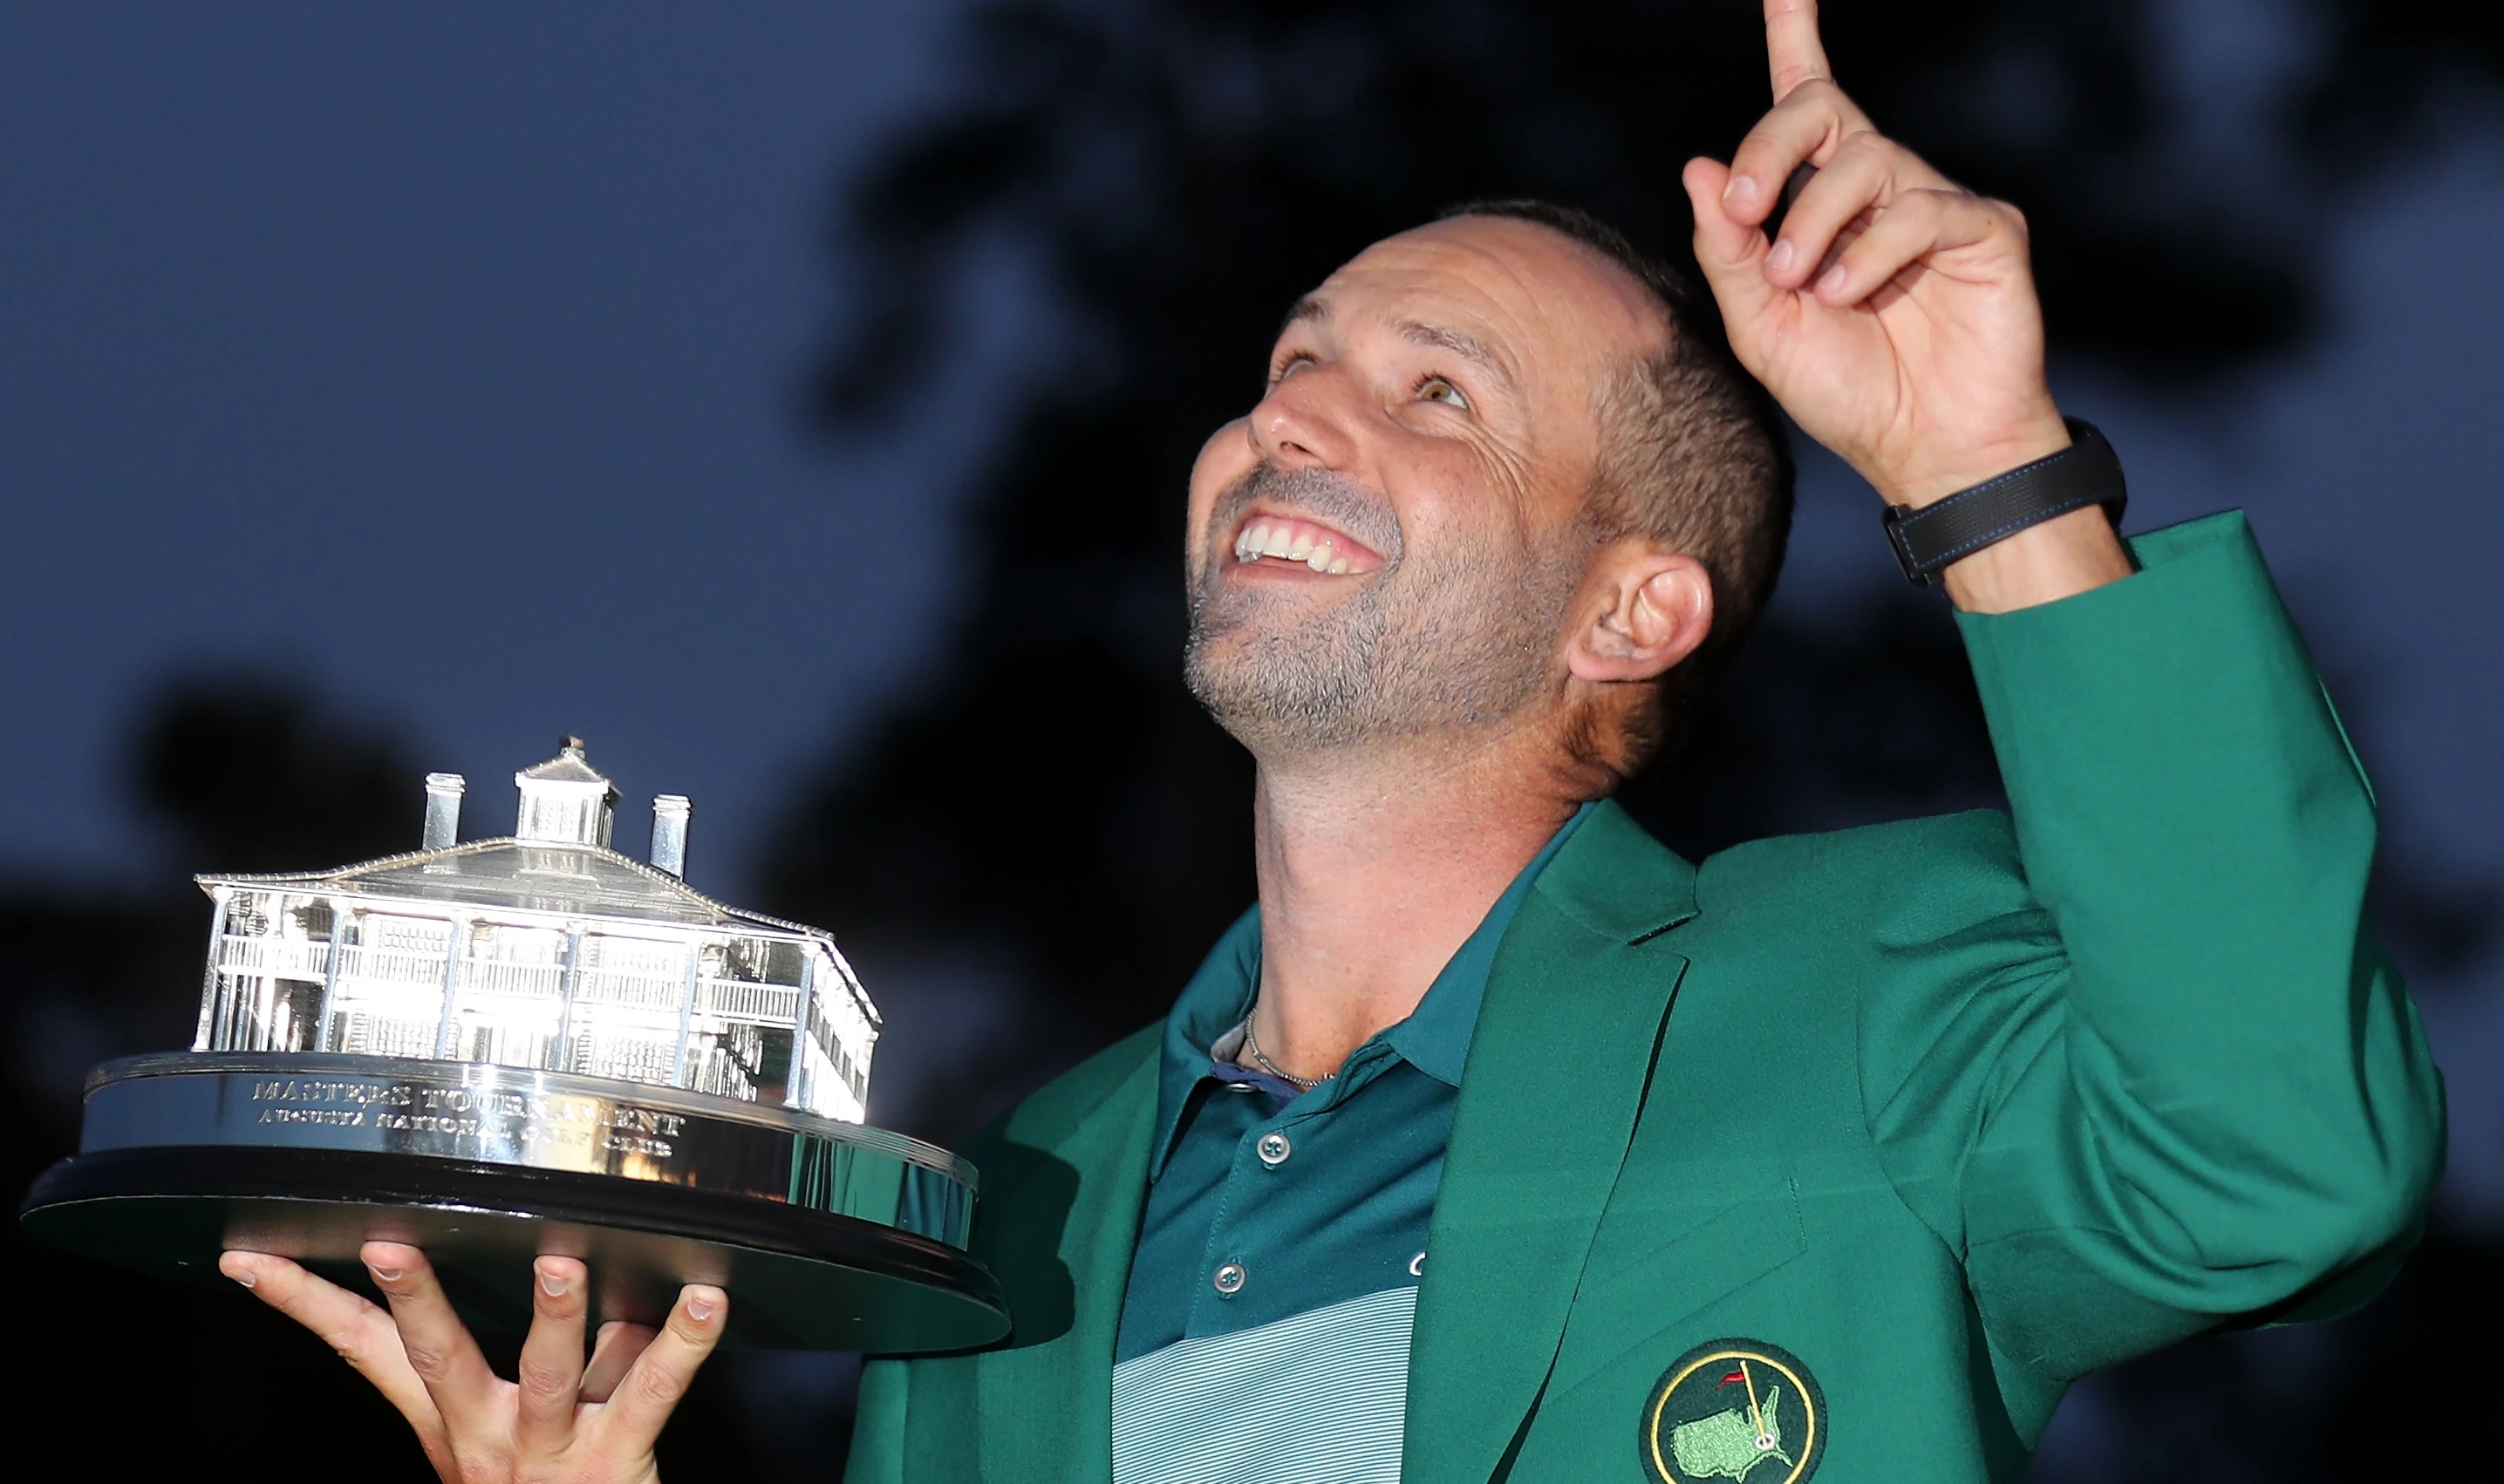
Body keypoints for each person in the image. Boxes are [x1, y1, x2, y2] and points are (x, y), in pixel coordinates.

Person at [222, 3, 2446, 1480]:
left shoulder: (1862, 994)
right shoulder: (1011, 1210)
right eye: (1292, 362)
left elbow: (2274, 1151)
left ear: (1629, 605)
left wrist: (1985, 464)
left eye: (1435, 388)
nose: (1292, 409)